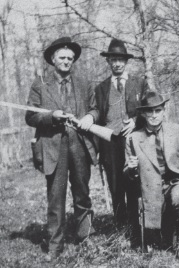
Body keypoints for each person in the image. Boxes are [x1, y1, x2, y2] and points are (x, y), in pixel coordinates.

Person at [25, 37, 98, 260]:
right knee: (55, 198)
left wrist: (89, 117)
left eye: (70, 58)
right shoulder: (40, 84)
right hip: (53, 148)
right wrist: (51, 116)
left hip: (79, 145)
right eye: (62, 57)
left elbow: (95, 109)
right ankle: (55, 246)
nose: (66, 61)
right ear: (53, 59)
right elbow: (30, 116)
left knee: (82, 195)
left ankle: (85, 239)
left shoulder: (84, 82)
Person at [123, 92, 179, 259]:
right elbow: (128, 174)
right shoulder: (133, 138)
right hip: (150, 186)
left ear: (164, 111)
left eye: (157, 110)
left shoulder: (177, 130)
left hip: (177, 182)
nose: (153, 115)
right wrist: (130, 169)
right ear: (143, 114)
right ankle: (163, 236)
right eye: (149, 112)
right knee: (158, 241)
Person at [94, 39, 150, 231]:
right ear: (108, 62)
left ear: (126, 62)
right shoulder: (101, 88)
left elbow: (150, 108)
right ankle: (121, 226)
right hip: (109, 142)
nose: (117, 63)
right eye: (113, 60)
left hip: (133, 140)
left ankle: (136, 225)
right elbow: (97, 115)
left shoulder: (140, 83)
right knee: (115, 184)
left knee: (133, 181)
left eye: (120, 60)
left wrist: (135, 121)